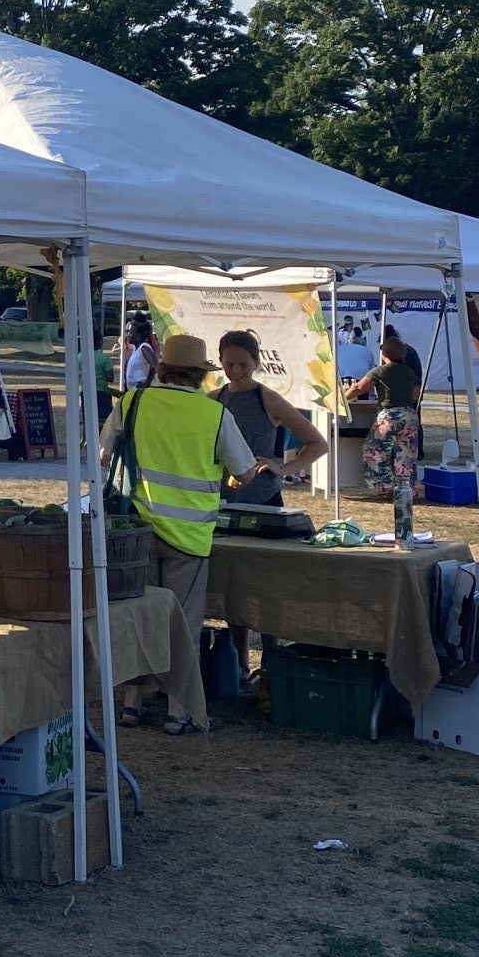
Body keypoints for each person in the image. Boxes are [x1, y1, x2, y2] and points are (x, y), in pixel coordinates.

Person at [103, 333, 261, 735]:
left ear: (163, 368)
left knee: (136, 617)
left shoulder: (132, 401)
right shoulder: (214, 415)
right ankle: (178, 710)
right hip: (189, 538)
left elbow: (105, 453)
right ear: (200, 375)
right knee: (182, 624)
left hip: (134, 531)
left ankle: (131, 705)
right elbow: (244, 472)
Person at [214, 330, 327, 507]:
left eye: (243, 365)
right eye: (229, 364)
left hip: (262, 497)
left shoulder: (268, 398)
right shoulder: (213, 398)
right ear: (221, 362)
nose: (236, 371)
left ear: (256, 363)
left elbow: (318, 444)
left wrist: (282, 469)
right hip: (219, 497)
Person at [347, 329, 425, 539]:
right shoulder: (410, 373)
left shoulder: (380, 371)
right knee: (405, 456)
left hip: (389, 415)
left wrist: (343, 398)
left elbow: (360, 388)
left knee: (374, 451)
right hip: (410, 415)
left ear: (384, 353)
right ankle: (405, 490)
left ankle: (384, 487)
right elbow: (416, 395)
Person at [121, 313, 158, 389]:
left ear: (138, 336)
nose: (128, 335)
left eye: (131, 333)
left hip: (140, 391)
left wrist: (147, 383)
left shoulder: (144, 347)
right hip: (133, 390)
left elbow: (154, 365)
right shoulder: (136, 348)